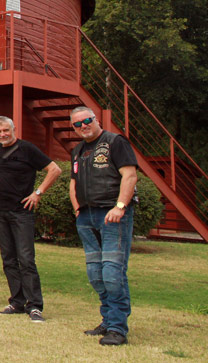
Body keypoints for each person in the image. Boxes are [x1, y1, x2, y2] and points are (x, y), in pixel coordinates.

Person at [69, 106, 138, 346]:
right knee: (95, 275)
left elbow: (129, 175)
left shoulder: (115, 142)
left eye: (86, 120)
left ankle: (118, 328)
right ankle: (108, 320)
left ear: (96, 119)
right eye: (77, 124)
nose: (83, 126)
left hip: (112, 216)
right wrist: (77, 209)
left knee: (112, 272)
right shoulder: (77, 151)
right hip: (86, 217)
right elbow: (73, 182)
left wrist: (120, 206)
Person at [0, 116, 61, 322]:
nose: (2, 134)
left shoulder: (27, 149)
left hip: (21, 212)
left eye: (6, 130)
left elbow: (55, 169)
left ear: (13, 129)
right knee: (8, 259)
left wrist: (38, 193)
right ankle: (17, 301)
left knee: (26, 259)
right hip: (0, 211)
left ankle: (35, 306)